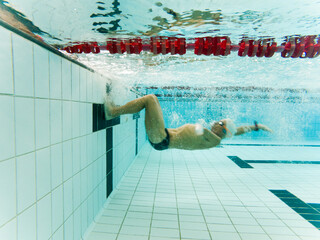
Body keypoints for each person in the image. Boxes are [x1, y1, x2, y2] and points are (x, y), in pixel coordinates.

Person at [104, 94, 272, 151]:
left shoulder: (215, 140)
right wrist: (257, 127)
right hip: (161, 136)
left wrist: (200, 127)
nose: (215, 123)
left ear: (223, 130)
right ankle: (116, 110)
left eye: (219, 123)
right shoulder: (213, 134)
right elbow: (238, 130)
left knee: (150, 99)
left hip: (162, 139)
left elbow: (210, 132)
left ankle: (113, 112)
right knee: (150, 101)